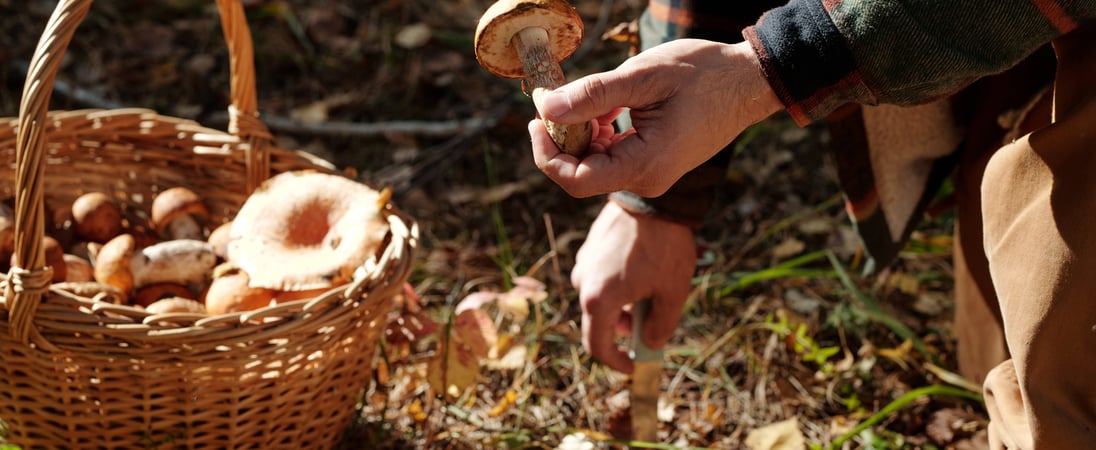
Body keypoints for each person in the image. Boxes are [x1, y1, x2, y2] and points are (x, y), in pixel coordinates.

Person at [526, 1, 1096, 448]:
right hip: (1016, 68)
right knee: (1008, 368)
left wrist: (766, 70)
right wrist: (658, 206)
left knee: (1068, 400)